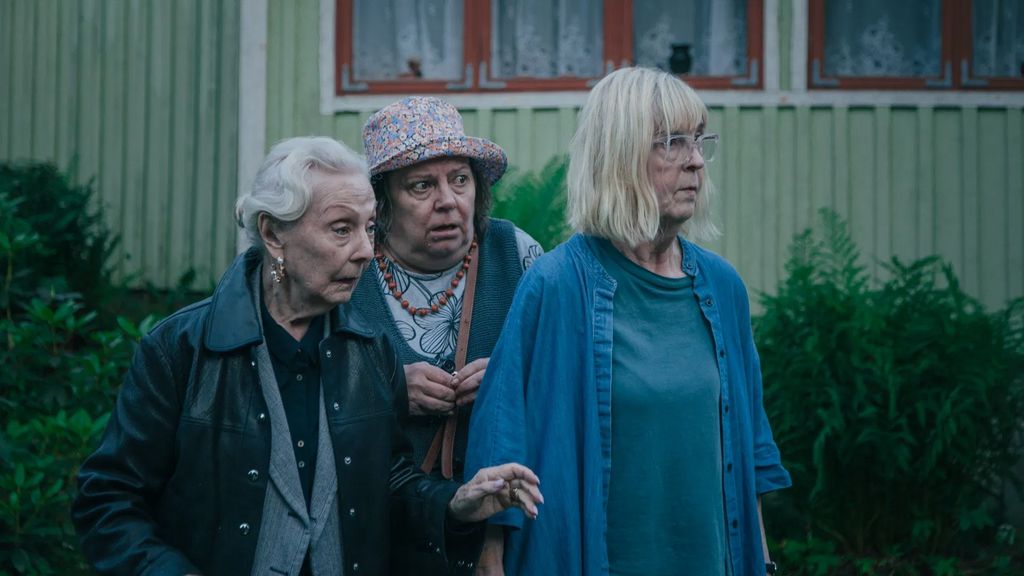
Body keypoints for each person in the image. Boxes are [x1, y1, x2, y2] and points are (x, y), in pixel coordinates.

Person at [72, 136, 542, 576]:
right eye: (342, 230)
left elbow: (388, 488)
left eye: (369, 229)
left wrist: (456, 504)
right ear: (273, 234)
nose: (365, 251)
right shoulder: (182, 349)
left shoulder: (369, 350)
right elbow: (107, 500)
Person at [464, 67, 792, 576]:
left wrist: (763, 562)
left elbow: (747, 452)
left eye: (699, 140)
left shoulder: (723, 287)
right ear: (619, 156)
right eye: (673, 143)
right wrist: (491, 558)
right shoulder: (556, 285)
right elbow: (502, 443)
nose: (696, 160)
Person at [349, 97, 542, 573]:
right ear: (381, 201)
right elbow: (303, 381)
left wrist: (510, 382)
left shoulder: (517, 254)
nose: (448, 201)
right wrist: (388, 387)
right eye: (421, 185)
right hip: (379, 529)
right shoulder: (349, 266)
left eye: (460, 179)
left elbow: (570, 375)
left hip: (504, 531)